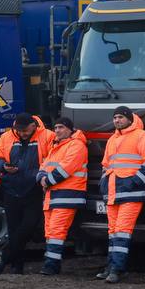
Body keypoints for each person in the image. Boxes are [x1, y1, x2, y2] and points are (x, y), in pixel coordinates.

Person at [98, 106, 145, 284]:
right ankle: (111, 267)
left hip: (131, 193)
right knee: (113, 232)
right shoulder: (112, 139)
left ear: (129, 119)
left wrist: (134, 182)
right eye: (115, 117)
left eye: (120, 117)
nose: (117, 120)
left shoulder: (142, 136)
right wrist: (104, 183)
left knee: (122, 231)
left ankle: (116, 269)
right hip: (113, 193)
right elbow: (106, 165)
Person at [0, 113, 53, 274]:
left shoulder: (48, 136)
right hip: (10, 188)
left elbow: (53, 159)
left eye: (25, 130)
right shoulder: (6, 137)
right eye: (19, 130)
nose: (21, 133)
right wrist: (3, 166)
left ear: (33, 126)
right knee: (14, 228)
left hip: (34, 189)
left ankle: (4, 254)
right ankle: (16, 267)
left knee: (28, 227)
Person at [37, 117, 89, 275]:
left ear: (70, 129)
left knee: (56, 231)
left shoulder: (77, 145)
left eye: (60, 127)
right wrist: (41, 178)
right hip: (53, 195)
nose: (57, 131)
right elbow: (43, 166)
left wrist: (46, 180)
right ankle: (51, 264)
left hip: (67, 194)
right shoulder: (56, 146)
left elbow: (66, 168)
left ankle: (51, 266)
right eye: (55, 128)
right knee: (50, 232)